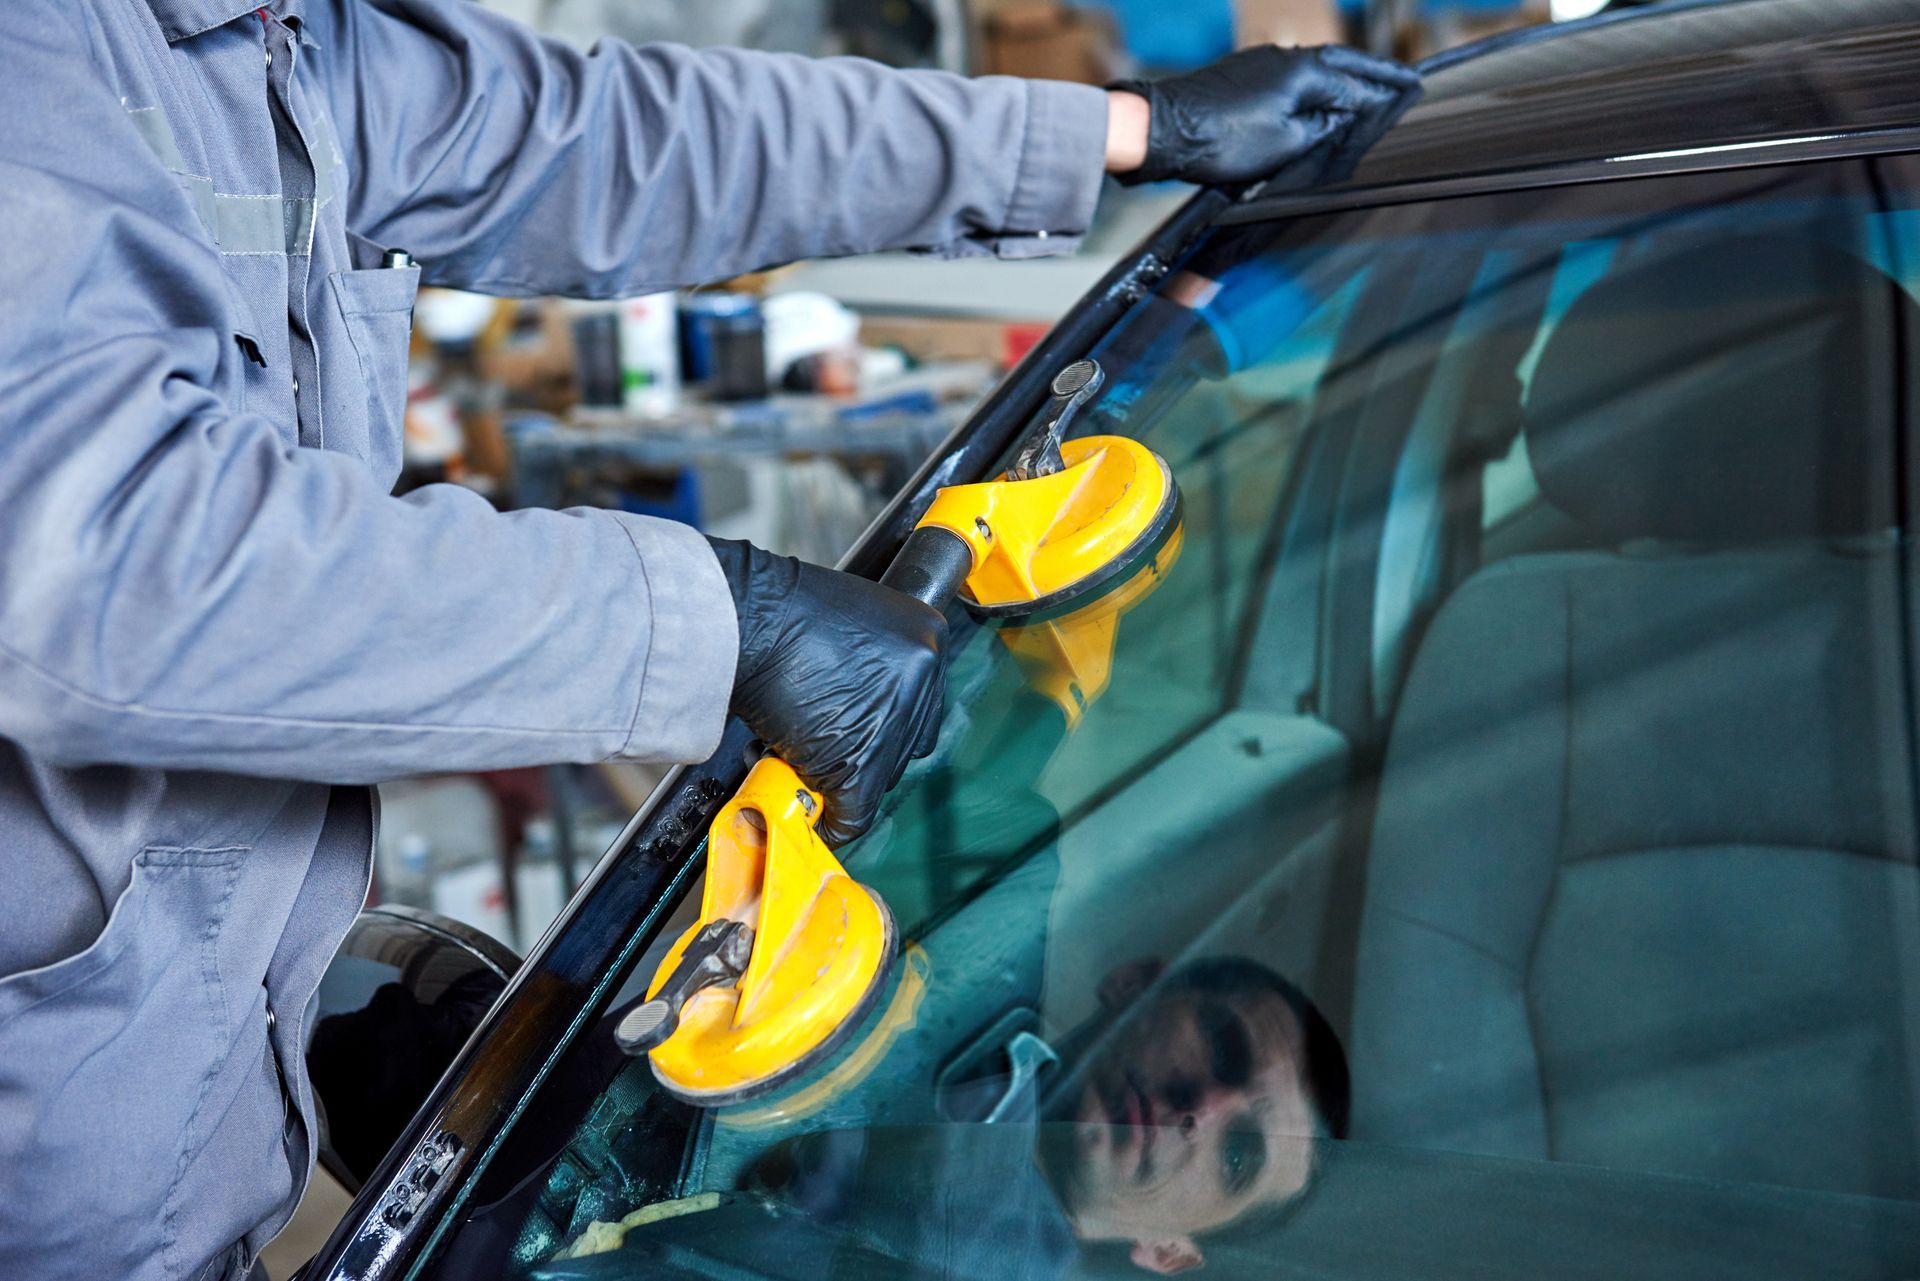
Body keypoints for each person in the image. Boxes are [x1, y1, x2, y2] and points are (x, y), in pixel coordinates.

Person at [0, 1, 1415, 1276]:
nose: (1202, 1106)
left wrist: (1119, 130)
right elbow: (108, 565)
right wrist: (719, 616)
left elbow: (613, 136)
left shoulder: (287, 40)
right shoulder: (51, 54)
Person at [725, 954, 1348, 1280]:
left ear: (1171, 1253)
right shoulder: (980, 952)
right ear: (1136, 984)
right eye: (1223, 1046)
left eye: (1237, 1155)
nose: (1200, 1111)